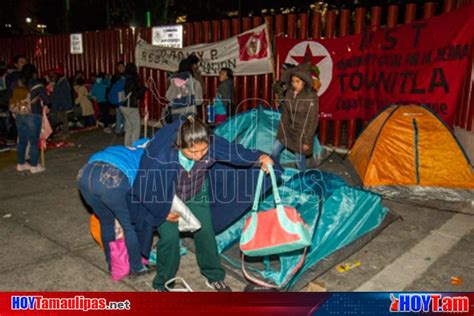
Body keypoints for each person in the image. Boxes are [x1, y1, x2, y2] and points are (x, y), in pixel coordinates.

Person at [129, 117, 279, 292]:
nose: (200, 155)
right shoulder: (160, 156)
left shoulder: (211, 144)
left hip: (196, 192)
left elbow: (234, 152)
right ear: (178, 145)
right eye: (193, 152)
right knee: (169, 239)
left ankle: (214, 276)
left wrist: (259, 158)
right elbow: (146, 187)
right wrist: (162, 211)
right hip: (165, 197)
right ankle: (162, 283)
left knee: (206, 232)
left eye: (204, 150)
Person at [77, 139, 150, 276]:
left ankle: (112, 264)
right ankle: (137, 267)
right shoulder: (146, 156)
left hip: (85, 174)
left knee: (106, 222)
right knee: (128, 226)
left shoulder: (124, 149)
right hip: (113, 176)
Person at [271, 63, 319, 171]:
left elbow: (313, 120)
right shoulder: (289, 92)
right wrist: (281, 132)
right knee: (274, 151)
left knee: (299, 161)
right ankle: (276, 173)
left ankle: (303, 179)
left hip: (301, 133)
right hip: (288, 130)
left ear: (304, 82)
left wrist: (307, 141)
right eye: (293, 81)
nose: (294, 84)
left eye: (298, 82)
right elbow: (285, 114)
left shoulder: (311, 96)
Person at [11, 64, 50, 173]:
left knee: (22, 141)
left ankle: (21, 164)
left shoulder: (16, 84)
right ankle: (34, 166)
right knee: (33, 142)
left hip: (19, 115)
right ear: (34, 73)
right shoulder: (37, 85)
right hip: (33, 115)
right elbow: (47, 99)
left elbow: (10, 96)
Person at [166, 58, 203, 122]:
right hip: (190, 113)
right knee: (189, 131)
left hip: (176, 112)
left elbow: (168, 97)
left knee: (177, 131)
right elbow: (198, 101)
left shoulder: (175, 82)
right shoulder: (196, 83)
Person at [121, 63, 145, 146]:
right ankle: (134, 146)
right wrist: (144, 87)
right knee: (136, 127)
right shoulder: (132, 79)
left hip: (122, 105)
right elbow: (137, 94)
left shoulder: (123, 77)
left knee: (128, 127)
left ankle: (127, 146)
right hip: (130, 105)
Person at [50, 68, 73, 139]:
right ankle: (65, 133)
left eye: (54, 75)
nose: (53, 77)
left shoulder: (62, 83)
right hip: (62, 105)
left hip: (61, 105)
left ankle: (65, 134)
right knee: (63, 119)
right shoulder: (62, 82)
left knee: (63, 119)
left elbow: (60, 96)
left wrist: (56, 106)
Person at [109, 61, 126, 135]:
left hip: (124, 97)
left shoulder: (126, 76)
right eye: (119, 67)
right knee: (119, 114)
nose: (121, 68)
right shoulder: (115, 77)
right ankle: (119, 130)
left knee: (124, 115)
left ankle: (124, 130)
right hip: (117, 98)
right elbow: (111, 88)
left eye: (122, 67)